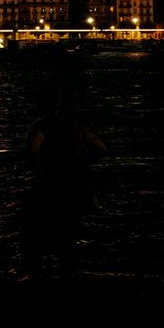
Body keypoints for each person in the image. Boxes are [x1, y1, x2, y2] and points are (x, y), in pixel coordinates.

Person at [21, 85, 108, 281]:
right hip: (73, 187)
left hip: (49, 186)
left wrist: (37, 166)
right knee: (67, 237)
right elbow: (101, 148)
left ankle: (38, 278)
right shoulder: (76, 127)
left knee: (38, 236)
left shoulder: (41, 126)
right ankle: (68, 278)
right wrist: (82, 162)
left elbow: (33, 150)